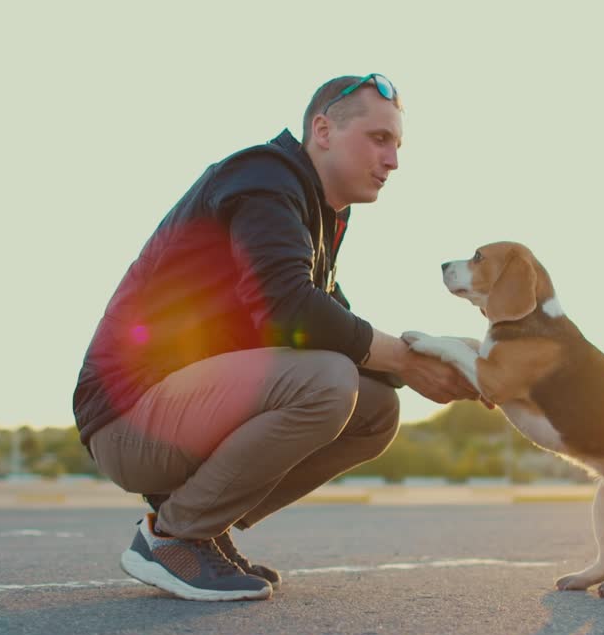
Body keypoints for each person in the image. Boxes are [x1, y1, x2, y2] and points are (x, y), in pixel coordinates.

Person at [72, 74, 482, 602]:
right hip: (128, 417)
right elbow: (289, 310)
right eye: (379, 139)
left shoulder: (320, 212)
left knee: (376, 408)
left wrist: (442, 358)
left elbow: (333, 322)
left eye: (398, 145)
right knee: (328, 381)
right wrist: (407, 358)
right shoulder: (263, 177)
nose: (393, 161)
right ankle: (173, 537)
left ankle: (203, 524)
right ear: (323, 129)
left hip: (189, 409)